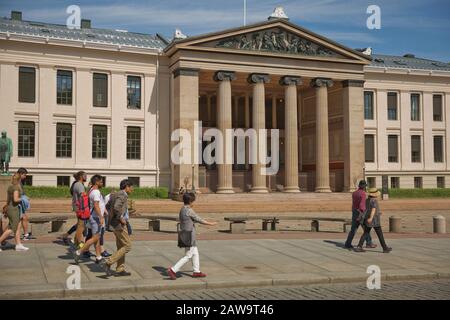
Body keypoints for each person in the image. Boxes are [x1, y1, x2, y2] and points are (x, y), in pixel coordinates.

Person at [167, 192, 216, 280]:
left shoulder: (182, 209)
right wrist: (211, 223)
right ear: (190, 201)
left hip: (185, 234)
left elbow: (190, 219)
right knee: (188, 255)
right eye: (193, 201)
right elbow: (199, 219)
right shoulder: (189, 210)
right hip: (189, 236)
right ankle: (173, 270)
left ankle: (196, 271)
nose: (194, 202)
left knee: (195, 253)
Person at [102, 179, 134, 276]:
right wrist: (120, 218)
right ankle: (109, 262)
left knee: (121, 246)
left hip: (114, 224)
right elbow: (116, 207)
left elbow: (107, 206)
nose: (132, 189)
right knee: (128, 246)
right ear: (127, 187)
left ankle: (120, 269)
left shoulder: (115, 194)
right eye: (131, 187)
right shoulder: (122, 195)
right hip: (119, 225)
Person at [73, 175, 105, 264]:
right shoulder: (96, 192)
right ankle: (79, 252)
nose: (102, 183)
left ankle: (98, 257)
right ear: (97, 182)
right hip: (95, 218)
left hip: (91, 217)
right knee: (96, 237)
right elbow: (96, 205)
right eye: (101, 182)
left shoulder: (91, 190)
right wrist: (101, 217)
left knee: (96, 238)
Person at [354, 188, 392, 253]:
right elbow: (373, 209)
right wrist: (371, 218)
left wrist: (377, 213)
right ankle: (385, 248)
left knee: (366, 233)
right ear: (375, 194)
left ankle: (359, 246)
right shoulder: (374, 200)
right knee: (380, 234)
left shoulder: (367, 200)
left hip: (368, 218)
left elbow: (367, 209)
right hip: (374, 220)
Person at [0, 173, 29, 251]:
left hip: (10, 208)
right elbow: (16, 199)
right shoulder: (16, 188)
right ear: (19, 180)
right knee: (12, 228)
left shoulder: (10, 187)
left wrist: (5, 209)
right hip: (14, 209)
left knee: (18, 227)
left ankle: (18, 244)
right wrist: (24, 198)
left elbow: (8, 200)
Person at [344, 180, 376, 249]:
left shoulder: (354, 193)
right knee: (366, 229)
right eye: (365, 186)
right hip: (361, 213)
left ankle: (348, 243)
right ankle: (369, 243)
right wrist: (364, 212)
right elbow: (362, 205)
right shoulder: (363, 193)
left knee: (353, 229)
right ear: (364, 186)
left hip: (354, 212)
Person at [64, 171, 87, 248]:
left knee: (80, 225)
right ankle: (79, 244)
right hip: (81, 208)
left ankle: (68, 237)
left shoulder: (78, 184)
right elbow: (83, 197)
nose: (86, 177)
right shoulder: (79, 185)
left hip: (78, 208)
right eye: (85, 175)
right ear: (81, 176)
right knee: (81, 226)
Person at [16, 168, 31, 241]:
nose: (25, 177)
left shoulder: (19, 181)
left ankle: (26, 234)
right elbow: (16, 194)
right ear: (20, 174)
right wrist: (23, 198)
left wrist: (25, 197)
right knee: (12, 225)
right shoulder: (16, 182)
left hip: (19, 203)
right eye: (24, 175)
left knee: (24, 218)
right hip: (17, 204)